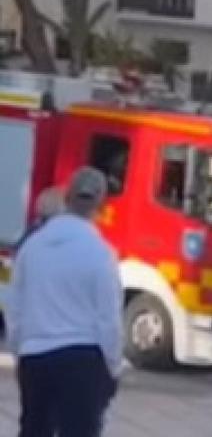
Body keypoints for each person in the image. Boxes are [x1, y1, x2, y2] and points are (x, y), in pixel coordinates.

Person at [8, 167, 122, 437]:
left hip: (35, 356)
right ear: (100, 204)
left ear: (66, 198)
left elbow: (15, 307)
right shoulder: (101, 254)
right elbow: (108, 319)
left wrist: (19, 352)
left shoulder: (32, 248)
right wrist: (113, 366)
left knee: (34, 430)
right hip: (82, 359)